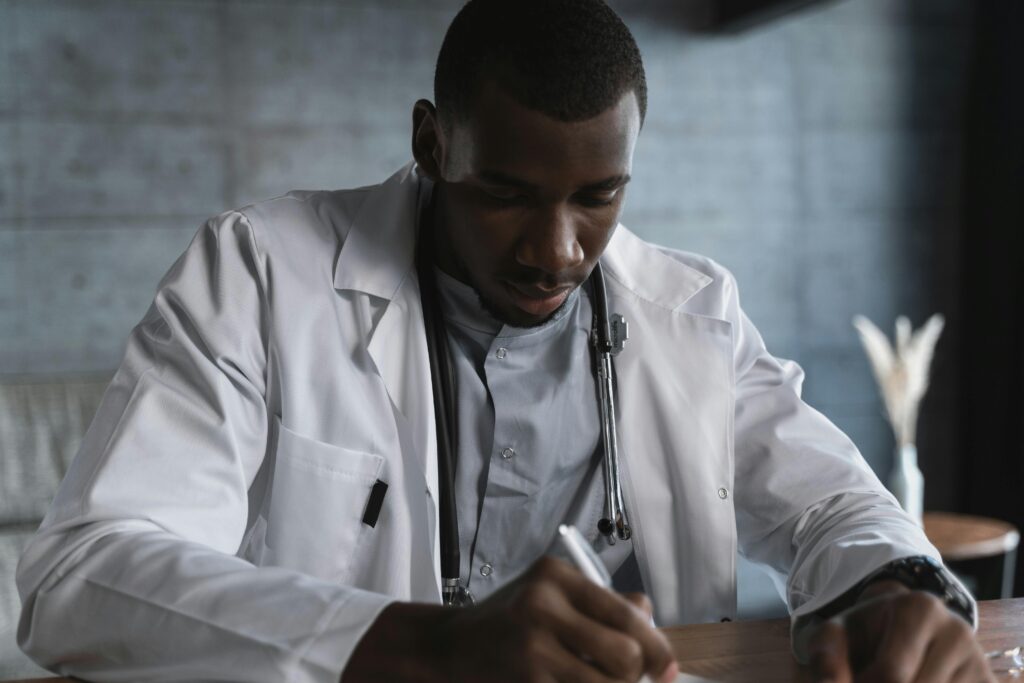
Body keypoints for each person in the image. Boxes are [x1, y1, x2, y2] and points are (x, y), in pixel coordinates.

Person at [17, 1, 993, 682]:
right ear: (433, 143)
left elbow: (830, 506)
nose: (554, 250)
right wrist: (428, 650)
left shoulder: (691, 309)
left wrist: (892, 590)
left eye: (597, 198)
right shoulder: (260, 274)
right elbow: (82, 579)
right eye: (508, 194)